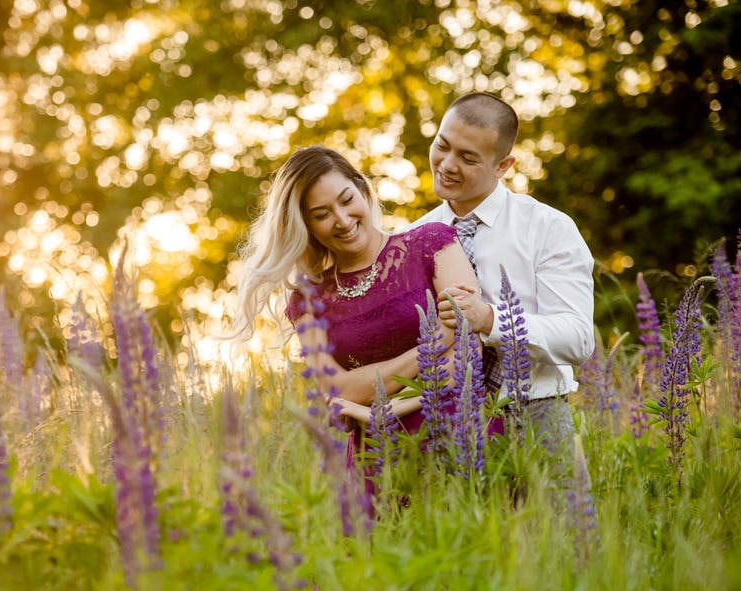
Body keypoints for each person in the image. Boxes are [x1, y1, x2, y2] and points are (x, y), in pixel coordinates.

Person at [230, 145, 481, 436]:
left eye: (347, 199)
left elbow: (467, 360)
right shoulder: (307, 301)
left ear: (362, 189)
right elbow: (338, 389)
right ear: (307, 226)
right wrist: (433, 345)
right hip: (374, 459)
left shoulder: (433, 243)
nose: (343, 219)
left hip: (458, 438)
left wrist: (382, 410)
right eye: (322, 214)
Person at [410, 92, 595, 456]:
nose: (446, 164)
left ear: (503, 165)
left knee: (552, 516)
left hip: (536, 416)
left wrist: (488, 319)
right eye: (442, 146)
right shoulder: (411, 238)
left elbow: (578, 339)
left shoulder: (548, 227)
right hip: (443, 419)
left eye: (467, 158)